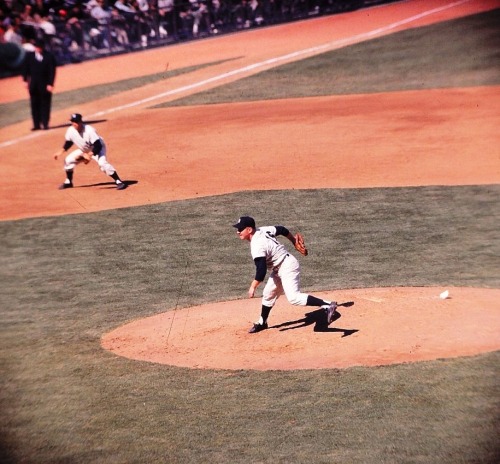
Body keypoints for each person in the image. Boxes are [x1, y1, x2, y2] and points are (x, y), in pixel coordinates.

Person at [233, 216, 337, 333]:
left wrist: (253, 287)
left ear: (249, 230)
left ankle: (327, 305)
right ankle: (262, 323)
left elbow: (261, 272)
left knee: (293, 298)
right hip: (280, 268)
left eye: (240, 229)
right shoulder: (262, 230)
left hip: (287, 266)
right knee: (268, 294)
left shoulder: (257, 245)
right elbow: (281, 229)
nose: (238, 232)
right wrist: (293, 241)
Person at [53, 113, 127, 190]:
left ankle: (118, 181)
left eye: (76, 122)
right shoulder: (70, 130)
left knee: (102, 163)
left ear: (80, 122)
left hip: (98, 148)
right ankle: (68, 182)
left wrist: (90, 155)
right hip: (85, 150)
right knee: (68, 160)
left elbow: (98, 145)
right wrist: (61, 151)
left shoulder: (89, 130)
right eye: (72, 122)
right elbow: (69, 142)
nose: (74, 124)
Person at [22, 38, 56, 130]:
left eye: (40, 47)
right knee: (34, 104)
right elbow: (25, 69)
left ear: (43, 47)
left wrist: (50, 84)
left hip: (45, 84)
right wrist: (25, 80)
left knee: (45, 104)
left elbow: (52, 71)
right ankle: (36, 124)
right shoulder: (30, 56)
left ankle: (45, 123)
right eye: (37, 47)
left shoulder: (49, 56)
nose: (38, 49)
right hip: (33, 84)